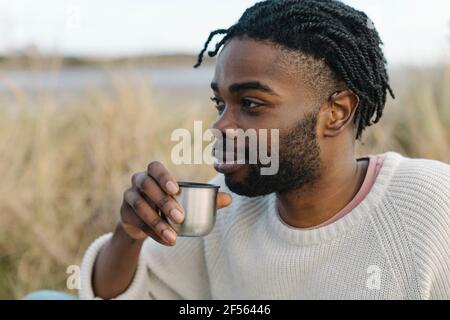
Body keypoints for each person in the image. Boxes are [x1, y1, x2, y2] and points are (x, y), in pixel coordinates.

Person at [79, 0, 450, 300]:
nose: (220, 126)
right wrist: (130, 234)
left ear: (336, 113)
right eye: (220, 103)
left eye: (251, 104)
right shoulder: (225, 210)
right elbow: (119, 294)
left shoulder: (429, 205)